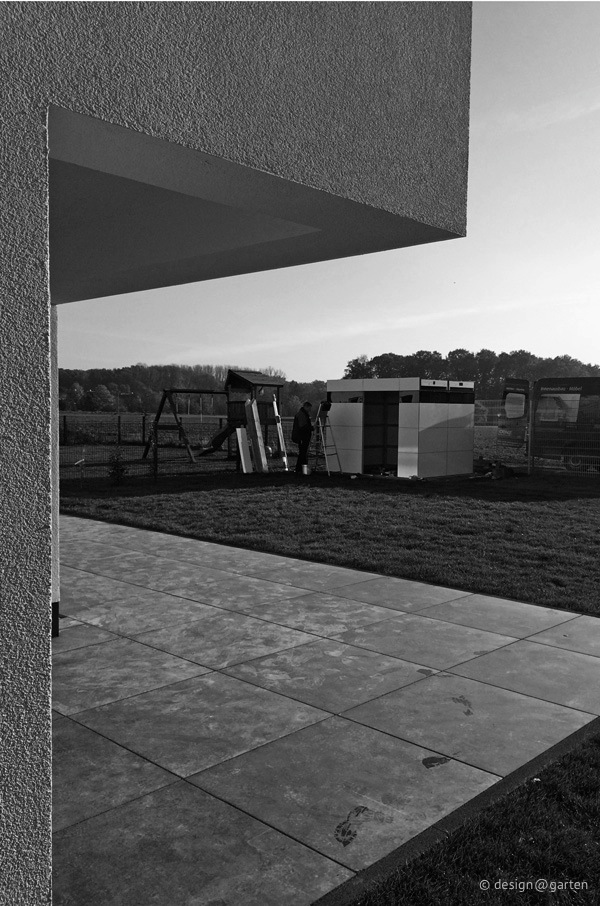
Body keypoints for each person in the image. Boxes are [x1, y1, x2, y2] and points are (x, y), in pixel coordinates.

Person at [292, 401, 313, 473]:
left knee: (302, 452)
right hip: (302, 436)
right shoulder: (302, 415)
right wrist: (311, 428)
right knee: (303, 453)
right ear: (306, 407)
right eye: (309, 408)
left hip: (301, 436)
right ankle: (301, 469)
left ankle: (300, 469)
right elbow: (303, 427)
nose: (310, 410)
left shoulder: (302, 414)